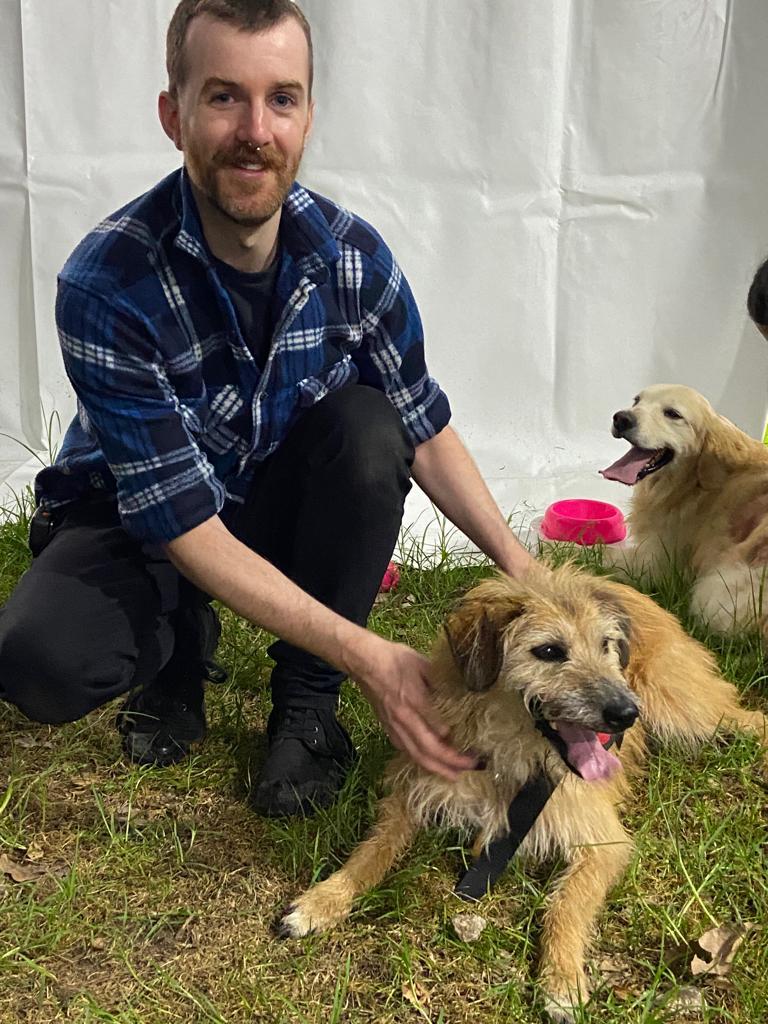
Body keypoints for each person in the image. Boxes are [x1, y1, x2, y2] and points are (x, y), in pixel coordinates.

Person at [0, 0, 537, 817]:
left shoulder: (354, 257)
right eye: (224, 97)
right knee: (40, 661)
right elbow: (180, 521)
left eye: (281, 98)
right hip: (139, 517)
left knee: (369, 427)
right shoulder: (106, 282)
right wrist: (370, 656)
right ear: (172, 116)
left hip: (267, 500)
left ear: (308, 116)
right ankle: (178, 644)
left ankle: (306, 707)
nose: (256, 128)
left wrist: (529, 575)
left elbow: (424, 429)